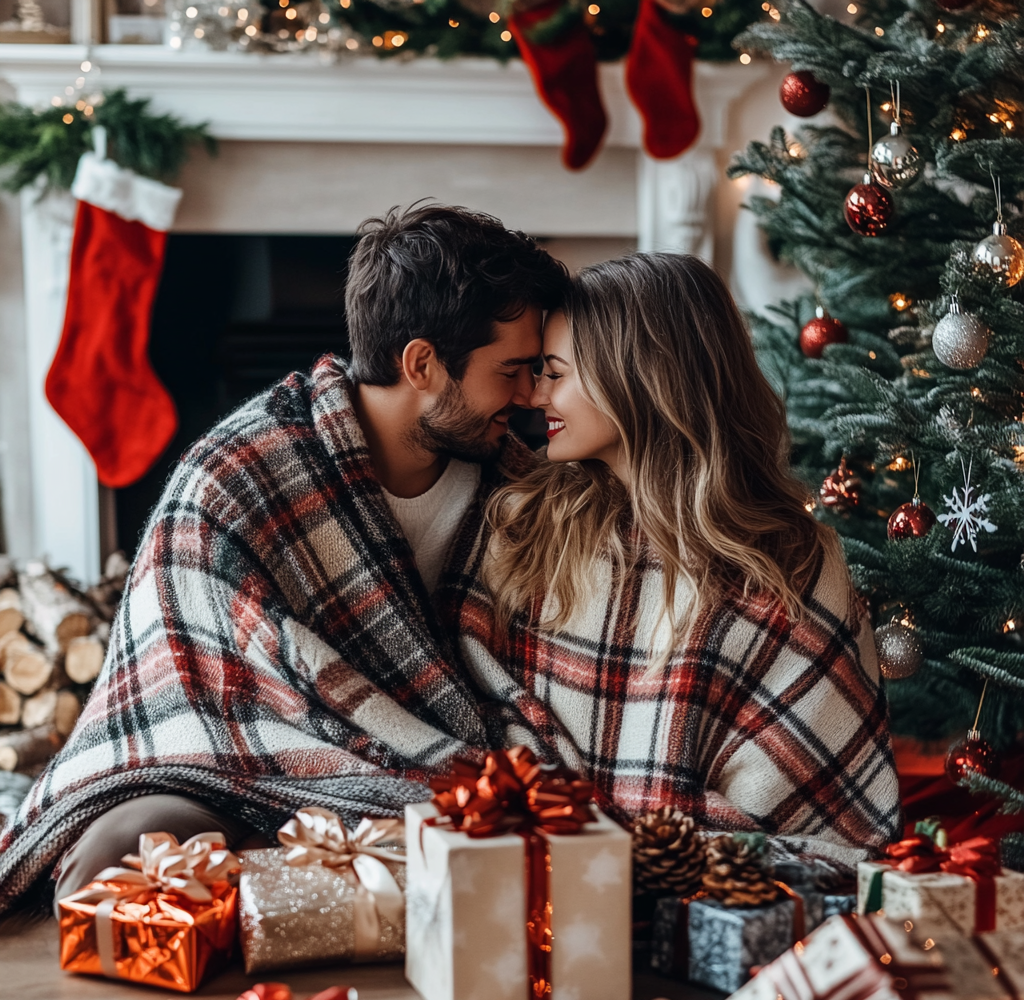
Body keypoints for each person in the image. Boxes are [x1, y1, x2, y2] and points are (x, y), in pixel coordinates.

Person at [0, 204, 567, 914]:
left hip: (454, 765)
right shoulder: (237, 476)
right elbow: (173, 683)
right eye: (512, 369)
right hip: (249, 765)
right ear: (422, 363)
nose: (530, 395)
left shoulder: (520, 487)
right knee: (121, 850)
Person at [441, 252, 902, 867]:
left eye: (554, 372)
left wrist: (653, 837)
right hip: (537, 869)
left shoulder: (792, 558)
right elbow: (481, 703)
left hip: (730, 894)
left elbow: (812, 804)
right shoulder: (529, 526)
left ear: (633, 377)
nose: (533, 396)